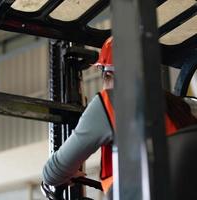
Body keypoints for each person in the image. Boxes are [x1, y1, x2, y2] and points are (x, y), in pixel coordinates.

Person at [42, 37, 197, 195]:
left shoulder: (110, 103)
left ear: (108, 73)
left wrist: (65, 174)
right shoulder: (185, 107)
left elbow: (53, 173)